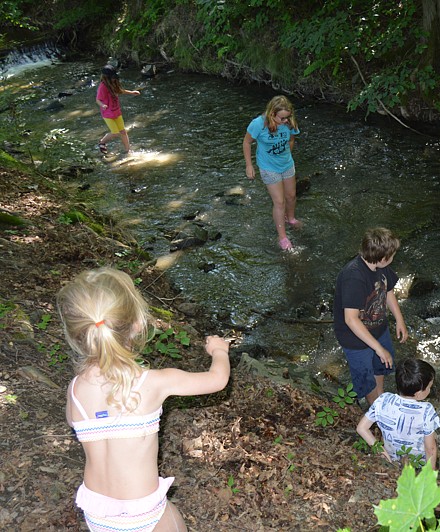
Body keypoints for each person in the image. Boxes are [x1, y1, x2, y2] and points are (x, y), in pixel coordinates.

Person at [57, 267, 230, 532]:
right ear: (137, 325)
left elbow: (74, 420)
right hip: (143, 513)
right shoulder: (152, 383)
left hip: (97, 512)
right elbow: (217, 380)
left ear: (79, 332)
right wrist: (219, 350)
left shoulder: (76, 389)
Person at [334, 227, 409, 405]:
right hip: (355, 339)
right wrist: (378, 348)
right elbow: (351, 319)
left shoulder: (381, 268)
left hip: (379, 328)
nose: (393, 258)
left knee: (380, 367)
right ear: (383, 258)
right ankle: (374, 410)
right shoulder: (354, 277)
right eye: (392, 255)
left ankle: (380, 396)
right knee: (366, 381)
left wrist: (400, 320)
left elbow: (388, 291)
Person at [356, 358, 440, 469]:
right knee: (433, 436)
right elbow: (430, 448)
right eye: (429, 387)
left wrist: (381, 452)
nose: (430, 390)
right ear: (419, 393)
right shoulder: (426, 410)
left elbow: (361, 428)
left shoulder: (383, 400)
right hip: (417, 462)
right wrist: (431, 474)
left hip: (393, 457)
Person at [242, 95, 301, 250]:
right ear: (272, 114)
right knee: (279, 202)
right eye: (282, 118)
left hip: (287, 164)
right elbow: (247, 142)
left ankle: (291, 218)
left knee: (291, 196)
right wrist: (249, 165)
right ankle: (282, 237)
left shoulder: (289, 123)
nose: (285, 121)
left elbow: (291, 140)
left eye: (287, 117)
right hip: (268, 167)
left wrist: (288, 154)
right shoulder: (258, 124)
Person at [95, 64, 140, 155]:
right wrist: (103, 105)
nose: (114, 79)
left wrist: (131, 92)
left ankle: (128, 150)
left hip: (116, 111)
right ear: (106, 77)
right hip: (108, 114)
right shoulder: (102, 87)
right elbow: (97, 100)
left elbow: (120, 90)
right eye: (112, 78)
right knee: (115, 133)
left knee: (123, 131)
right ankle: (102, 142)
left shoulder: (113, 82)